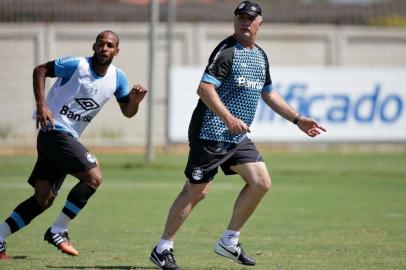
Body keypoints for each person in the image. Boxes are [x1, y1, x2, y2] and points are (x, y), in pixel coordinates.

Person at [149, 1, 326, 269]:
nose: (244, 22)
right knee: (197, 191)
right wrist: (229, 118)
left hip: (236, 136)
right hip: (210, 132)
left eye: (250, 18)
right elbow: (205, 89)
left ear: (259, 24)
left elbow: (268, 92)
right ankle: (163, 248)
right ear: (234, 21)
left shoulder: (260, 55)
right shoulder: (227, 51)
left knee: (261, 182)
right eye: (240, 18)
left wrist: (298, 119)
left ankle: (229, 240)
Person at [0, 30, 147, 259]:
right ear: (94, 46)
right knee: (94, 177)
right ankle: (58, 230)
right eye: (100, 44)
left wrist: (135, 102)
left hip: (65, 139)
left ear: (116, 52)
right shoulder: (77, 65)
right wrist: (42, 105)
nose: (104, 48)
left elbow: (128, 112)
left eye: (109, 45)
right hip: (53, 131)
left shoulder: (118, 78)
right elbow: (40, 70)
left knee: (43, 200)